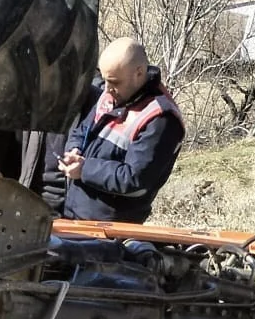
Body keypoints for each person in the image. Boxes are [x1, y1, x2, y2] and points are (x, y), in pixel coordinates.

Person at [59, 38, 186, 224]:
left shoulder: (161, 118)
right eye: (105, 81)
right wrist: (74, 150)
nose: (108, 89)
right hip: (75, 212)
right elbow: (82, 131)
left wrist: (84, 169)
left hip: (113, 226)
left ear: (139, 73)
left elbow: (135, 179)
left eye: (114, 82)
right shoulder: (111, 94)